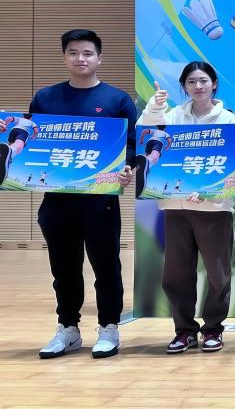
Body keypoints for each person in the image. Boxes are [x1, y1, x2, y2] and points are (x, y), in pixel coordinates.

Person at [11, 30, 136, 359]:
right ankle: (68, 328)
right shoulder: (45, 97)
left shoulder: (117, 100)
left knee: (106, 267)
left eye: (88, 53)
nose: (81, 58)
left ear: (100, 58)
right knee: (64, 269)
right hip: (56, 201)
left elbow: (132, 146)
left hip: (100, 202)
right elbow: (30, 138)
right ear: (64, 57)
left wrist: (126, 169)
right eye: (73, 52)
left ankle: (109, 327)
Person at [137, 62, 235, 354]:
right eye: (191, 81)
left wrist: (208, 193)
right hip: (176, 207)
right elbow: (146, 132)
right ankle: (184, 331)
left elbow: (232, 165)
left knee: (218, 273)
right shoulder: (173, 116)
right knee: (176, 273)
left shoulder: (228, 120)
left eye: (203, 80)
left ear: (214, 84)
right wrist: (155, 107)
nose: (198, 86)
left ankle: (213, 329)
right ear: (184, 86)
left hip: (214, 210)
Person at [0, 114, 39, 185]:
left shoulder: (20, 119)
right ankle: (11, 152)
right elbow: (36, 130)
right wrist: (33, 137)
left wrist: (4, 126)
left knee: (8, 146)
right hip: (23, 132)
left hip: (13, 130)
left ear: (23, 116)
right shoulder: (32, 122)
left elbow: (9, 118)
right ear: (31, 117)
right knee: (18, 145)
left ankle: (4, 156)